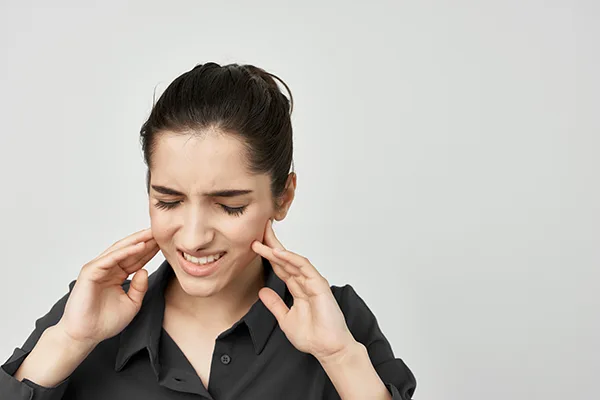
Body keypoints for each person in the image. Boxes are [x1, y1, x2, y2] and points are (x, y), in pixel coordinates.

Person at [0, 62, 416, 400]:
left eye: (230, 206)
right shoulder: (83, 313)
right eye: (168, 201)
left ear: (283, 197)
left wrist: (340, 357)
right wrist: (69, 341)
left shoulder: (339, 322)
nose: (194, 236)